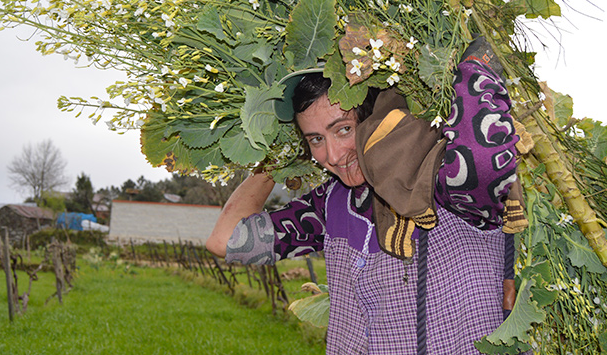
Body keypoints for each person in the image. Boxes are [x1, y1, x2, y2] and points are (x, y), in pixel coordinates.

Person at [206, 38, 520, 355]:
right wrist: (279, 154)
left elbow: (484, 163)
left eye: (343, 129)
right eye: (315, 138)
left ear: (375, 117)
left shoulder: (439, 179)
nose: (332, 155)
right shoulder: (332, 204)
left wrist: (472, 69)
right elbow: (226, 239)